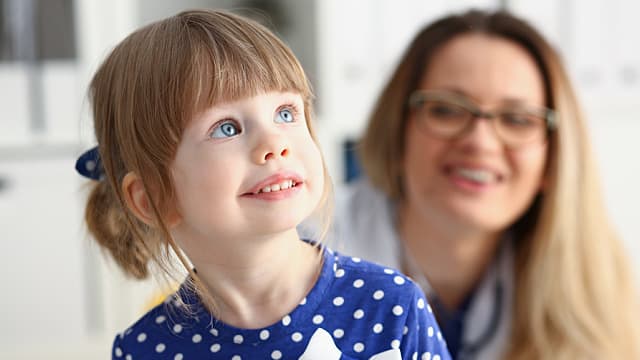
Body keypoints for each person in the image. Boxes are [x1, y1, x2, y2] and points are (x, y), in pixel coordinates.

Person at [74, 9, 451, 360]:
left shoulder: (390, 306)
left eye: (285, 113)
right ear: (153, 196)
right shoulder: (145, 349)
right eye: (227, 128)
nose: (275, 144)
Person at [326, 9, 640, 359]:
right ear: (397, 130)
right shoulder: (300, 245)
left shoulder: (595, 281)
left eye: (518, 120)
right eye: (446, 110)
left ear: (554, 158)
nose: (481, 142)